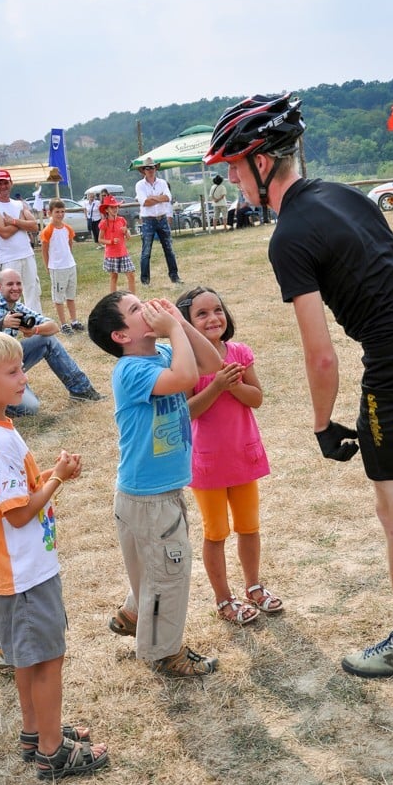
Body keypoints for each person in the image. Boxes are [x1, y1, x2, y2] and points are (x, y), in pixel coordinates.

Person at [205, 93, 393, 681]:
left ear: (262, 163)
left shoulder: (289, 237)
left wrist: (321, 424)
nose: (231, 179)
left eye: (233, 166)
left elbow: (320, 355)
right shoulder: (343, 194)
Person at [0, 327, 108, 779]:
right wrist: (57, 478)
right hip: (21, 574)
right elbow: (17, 515)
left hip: (10, 571)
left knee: (28, 657)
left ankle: (36, 730)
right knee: (46, 658)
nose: (24, 377)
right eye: (14, 371)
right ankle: (53, 752)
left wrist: (47, 476)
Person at [87, 291, 221, 677]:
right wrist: (173, 327)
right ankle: (164, 653)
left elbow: (211, 362)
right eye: (135, 310)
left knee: (155, 567)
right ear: (121, 336)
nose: (147, 308)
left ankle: (133, 614)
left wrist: (176, 326)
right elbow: (187, 377)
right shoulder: (132, 371)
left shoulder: (159, 355)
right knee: (169, 575)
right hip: (148, 499)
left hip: (153, 495)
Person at [176, 286, 281, 625]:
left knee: (249, 526)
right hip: (207, 463)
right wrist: (216, 385)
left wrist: (233, 384)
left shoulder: (239, 352)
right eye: (201, 314)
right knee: (216, 531)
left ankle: (254, 586)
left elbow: (257, 398)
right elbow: (187, 412)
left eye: (217, 310)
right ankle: (224, 600)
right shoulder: (187, 364)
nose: (212, 318)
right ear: (186, 324)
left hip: (243, 456)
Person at [0, 269, 105, 416]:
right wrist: (1, 324)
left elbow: (54, 326)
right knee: (30, 410)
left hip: (7, 361)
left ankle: (82, 391)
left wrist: (34, 330)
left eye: (18, 283)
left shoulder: (17, 307)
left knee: (47, 339)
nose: (15, 288)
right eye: (10, 284)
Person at [0, 169, 42, 313]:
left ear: (11, 184)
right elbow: (4, 233)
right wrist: (22, 222)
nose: (3, 186)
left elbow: (34, 226)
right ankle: (11, 324)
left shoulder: (19, 204)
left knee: (32, 290)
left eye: (5, 183)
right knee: (10, 294)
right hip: (8, 258)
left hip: (27, 254)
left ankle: (35, 322)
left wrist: (14, 221)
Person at [134, 158, 183, 286]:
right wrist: (159, 198)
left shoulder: (162, 183)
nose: (150, 170)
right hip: (148, 220)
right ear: (144, 170)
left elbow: (168, 197)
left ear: (156, 169)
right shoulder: (140, 185)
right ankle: (145, 280)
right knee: (146, 251)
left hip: (162, 218)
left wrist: (152, 198)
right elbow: (144, 202)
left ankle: (175, 276)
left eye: (152, 167)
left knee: (169, 249)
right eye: (147, 168)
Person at [39, 199, 85, 335]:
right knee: (59, 297)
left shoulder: (67, 229)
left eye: (62, 211)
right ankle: (64, 324)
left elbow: (70, 244)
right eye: (57, 212)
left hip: (70, 265)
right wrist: (48, 266)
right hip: (57, 268)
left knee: (71, 295)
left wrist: (69, 258)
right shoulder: (48, 230)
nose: (60, 214)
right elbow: (44, 250)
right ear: (50, 213)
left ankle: (74, 320)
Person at [99, 195, 135, 294]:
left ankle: (133, 297)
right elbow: (100, 239)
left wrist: (126, 231)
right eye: (112, 207)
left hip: (123, 253)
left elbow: (128, 237)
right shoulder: (104, 223)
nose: (115, 209)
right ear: (106, 210)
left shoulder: (122, 220)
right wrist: (110, 241)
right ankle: (112, 298)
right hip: (111, 254)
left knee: (131, 274)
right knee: (114, 276)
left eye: (116, 207)